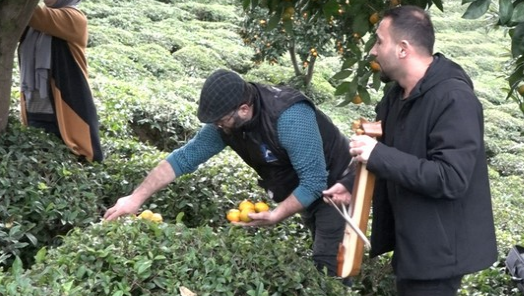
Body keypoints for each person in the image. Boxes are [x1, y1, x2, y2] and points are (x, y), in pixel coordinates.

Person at [104, 69, 355, 278]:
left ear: (244, 109)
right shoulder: (227, 123)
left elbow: (314, 182)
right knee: (319, 242)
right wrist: (135, 198)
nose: (217, 126)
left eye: (221, 120)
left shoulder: (289, 117)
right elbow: (183, 158)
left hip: (338, 185)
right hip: (302, 186)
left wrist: (277, 214)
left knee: (329, 264)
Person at [323, 5, 498, 296]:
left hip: (439, 255)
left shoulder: (454, 99)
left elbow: (450, 177)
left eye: (379, 41)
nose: (373, 51)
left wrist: (377, 154)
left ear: (403, 49)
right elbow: (394, 156)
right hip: (411, 243)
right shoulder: (397, 95)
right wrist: (350, 185)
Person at [17, 0, 103, 162]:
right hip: (34, 112)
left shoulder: (74, 18)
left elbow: (36, 14)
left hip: (63, 116)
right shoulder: (32, 27)